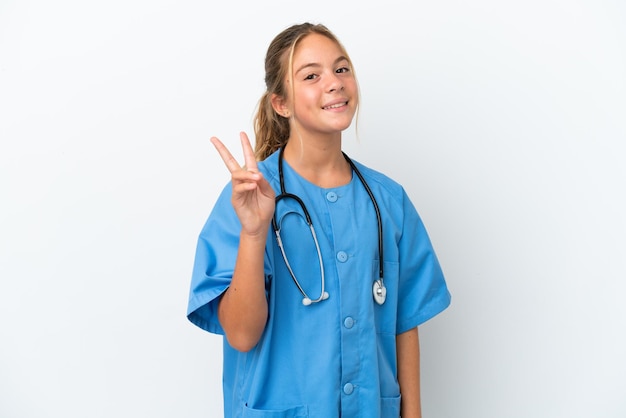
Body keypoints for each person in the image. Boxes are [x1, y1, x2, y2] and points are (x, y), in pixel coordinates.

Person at [187, 22, 451, 418]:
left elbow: (404, 323)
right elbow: (241, 335)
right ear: (282, 104)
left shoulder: (387, 201)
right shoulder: (248, 198)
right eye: (312, 75)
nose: (334, 82)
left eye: (341, 69)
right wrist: (255, 233)